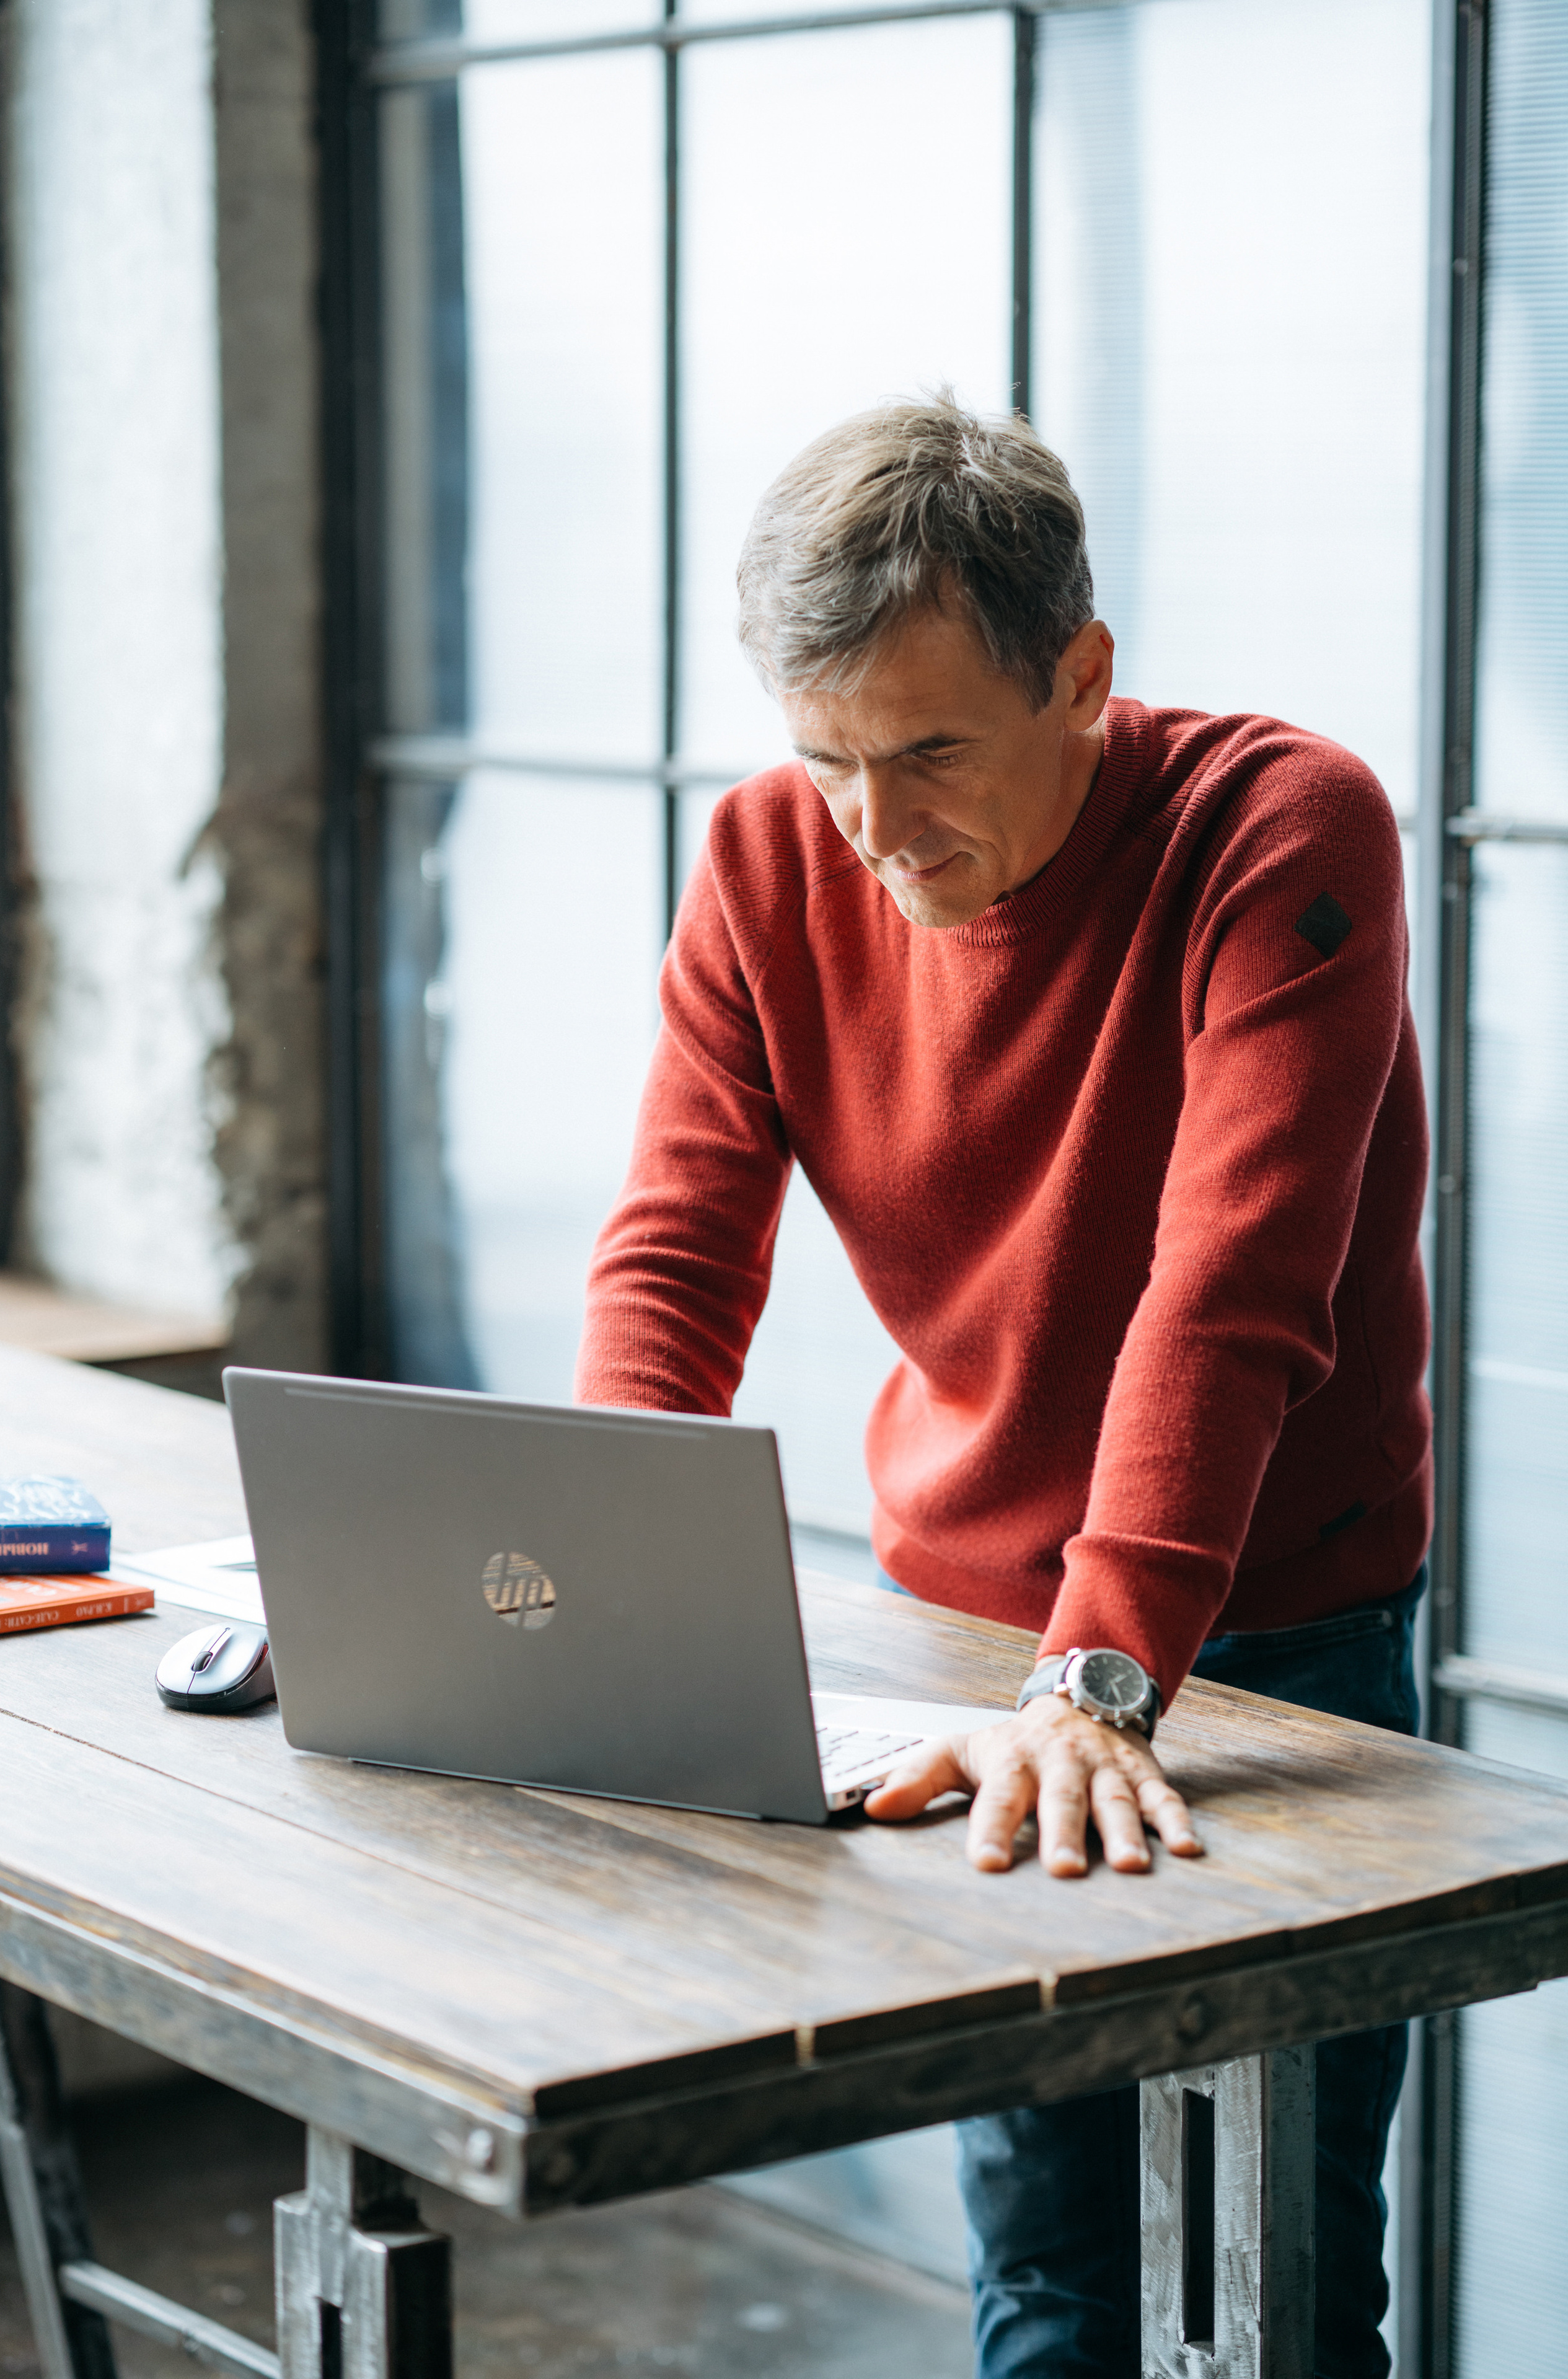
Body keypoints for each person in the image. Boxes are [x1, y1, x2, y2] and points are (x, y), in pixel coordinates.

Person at [575, 392, 1430, 2379]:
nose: (875, 829)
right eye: (828, 758)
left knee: (1279, 2278)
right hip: (970, 1641)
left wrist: (1104, 1667)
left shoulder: (1281, 828)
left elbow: (1229, 1293)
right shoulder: (774, 855)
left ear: (1086, 677)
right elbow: (676, 1254)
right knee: (1048, 2273)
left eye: (935, 752)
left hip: (1261, 1641)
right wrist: (587, 1581)